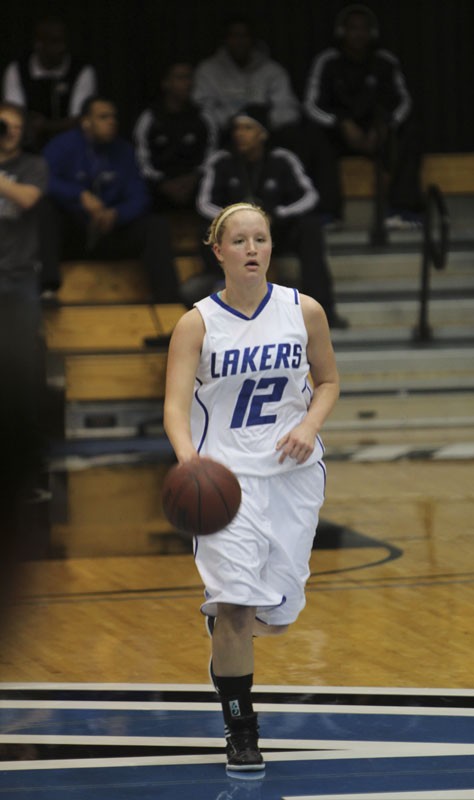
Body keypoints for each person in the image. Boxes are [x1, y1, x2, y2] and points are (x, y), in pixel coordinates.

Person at [163, 201, 340, 773]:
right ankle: (241, 731)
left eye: (259, 239)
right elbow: (172, 407)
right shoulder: (196, 322)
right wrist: (190, 463)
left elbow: (329, 381)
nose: (251, 249)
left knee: (277, 616)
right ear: (218, 251)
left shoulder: (303, 310)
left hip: (293, 476)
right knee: (238, 607)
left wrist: (309, 425)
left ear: (270, 247)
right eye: (238, 241)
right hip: (224, 481)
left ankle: (227, 634)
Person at [196, 104, 347, 328]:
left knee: (310, 228)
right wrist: (236, 217)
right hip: (235, 235)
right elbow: (203, 203)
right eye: (237, 129)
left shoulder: (281, 159)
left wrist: (277, 214)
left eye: (247, 128)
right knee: (208, 231)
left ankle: (323, 311)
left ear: (262, 134)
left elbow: (310, 197)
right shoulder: (222, 162)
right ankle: (220, 303)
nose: (240, 134)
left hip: (277, 230)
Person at [192, 14, 342, 220]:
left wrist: (261, 123)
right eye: (234, 36)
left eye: (244, 36)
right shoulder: (208, 70)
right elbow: (202, 107)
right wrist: (235, 121)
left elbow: (288, 108)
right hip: (224, 132)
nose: (239, 41)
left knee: (313, 139)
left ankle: (325, 211)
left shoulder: (271, 69)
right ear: (226, 40)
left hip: (268, 132)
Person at [39, 95, 181, 307]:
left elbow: (140, 196)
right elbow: (42, 180)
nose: (112, 122)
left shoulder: (123, 150)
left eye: (113, 117)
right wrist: (79, 196)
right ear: (86, 122)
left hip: (110, 230)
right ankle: (47, 289)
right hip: (74, 233)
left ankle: (167, 302)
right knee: (44, 210)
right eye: (103, 117)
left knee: (156, 226)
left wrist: (117, 214)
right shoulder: (63, 145)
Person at [304, 3, 424, 230]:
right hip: (338, 132)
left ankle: (401, 210)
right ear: (341, 32)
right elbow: (311, 106)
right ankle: (329, 213)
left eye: (363, 28)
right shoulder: (327, 61)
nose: (358, 34)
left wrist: (387, 125)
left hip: (377, 132)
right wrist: (340, 123)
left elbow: (404, 102)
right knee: (313, 136)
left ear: (372, 33)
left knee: (411, 131)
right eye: (352, 28)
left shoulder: (385, 61)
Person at [0, 101, 49, 596]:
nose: (6, 131)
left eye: (11, 125)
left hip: (18, 283)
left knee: (23, 376)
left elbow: (29, 200)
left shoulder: (33, 165)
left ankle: (31, 475)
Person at [1, 17, 97, 152]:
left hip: (70, 148)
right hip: (26, 147)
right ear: (39, 44)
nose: (61, 48)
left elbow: (80, 120)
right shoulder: (18, 69)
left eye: (63, 42)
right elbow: (14, 114)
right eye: (55, 42)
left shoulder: (81, 70)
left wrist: (46, 126)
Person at [133, 61, 216, 213]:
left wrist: (194, 178)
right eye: (180, 78)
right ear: (166, 83)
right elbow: (141, 159)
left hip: (195, 187)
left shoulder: (204, 117)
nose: (188, 83)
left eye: (189, 78)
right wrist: (162, 184)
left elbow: (212, 156)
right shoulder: (149, 118)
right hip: (159, 189)